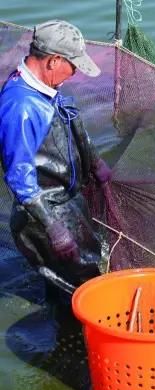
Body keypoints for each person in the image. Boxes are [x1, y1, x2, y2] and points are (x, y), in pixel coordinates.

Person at [0, 20, 112, 301]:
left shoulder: (43, 86)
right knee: (81, 288)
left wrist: (95, 162)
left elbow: (69, 120)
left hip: (66, 199)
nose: (75, 73)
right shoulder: (21, 107)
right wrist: (53, 228)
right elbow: (19, 178)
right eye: (73, 65)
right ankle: (68, 324)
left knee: (86, 269)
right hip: (44, 211)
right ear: (53, 61)